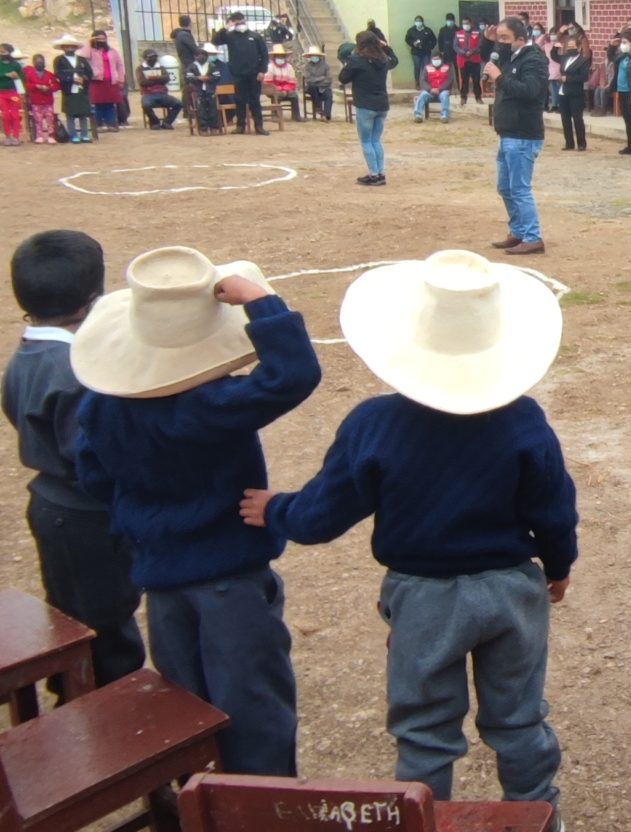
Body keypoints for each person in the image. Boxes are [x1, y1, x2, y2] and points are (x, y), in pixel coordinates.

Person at [244, 251, 576, 807]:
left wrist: (278, 510)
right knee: (519, 718)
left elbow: (324, 513)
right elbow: (554, 508)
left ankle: (424, 817)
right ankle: (538, 811)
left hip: (423, 598)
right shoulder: (525, 422)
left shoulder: (375, 424)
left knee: (424, 729)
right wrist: (559, 565)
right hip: (511, 591)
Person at [74, 247, 320, 778]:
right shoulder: (209, 406)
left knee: (186, 706)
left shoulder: (100, 405)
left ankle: (200, 796)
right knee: (253, 708)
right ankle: (261, 804)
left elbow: (92, 474)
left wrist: (138, 514)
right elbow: (293, 374)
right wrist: (261, 302)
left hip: (161, 575)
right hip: (230, 577)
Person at [0, 230, 145, 687]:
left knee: (72, 614)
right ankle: (102, 709)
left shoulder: (26, 354)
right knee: (105, 627)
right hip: (85, 515)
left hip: (52, 504)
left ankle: (75, 690)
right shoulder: (77, 369)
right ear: (92, 300)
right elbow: (93, 458)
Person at [488, 17, 550, 255]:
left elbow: (530, 91)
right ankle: (518, 231)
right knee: (505, 187)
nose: (501, 42)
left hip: (523, 135)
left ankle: (533, 237)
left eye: (505, 38)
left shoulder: (534, 60)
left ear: (521, 39)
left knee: (520, 189)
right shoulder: (511, 57)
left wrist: (500, 78)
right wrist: (493, 44)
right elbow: (497, 60)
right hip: (507, 133)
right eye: (499, 38)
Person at [340, 33, 395, 186]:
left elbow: (343, 78)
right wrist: (387, 48)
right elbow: (394, 61)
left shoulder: (357, 60)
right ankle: (380, 173)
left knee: (366, 141)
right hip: (382, 104)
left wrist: (350, 59)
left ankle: (374, 174)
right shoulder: (384, 60)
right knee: (376, 140)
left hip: (365, 104)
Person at [216, 13, 272, 135]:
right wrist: (226, 27)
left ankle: (259, 126)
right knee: (239, 100)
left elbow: (264, 55)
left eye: (241, 21)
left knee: (255, 100)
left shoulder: (255, 36)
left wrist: (262, 71)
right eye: (236, 22)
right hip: (237, 74)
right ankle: (240, 126)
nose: (239, 24)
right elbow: (216, 40)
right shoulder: (230, 36)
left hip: (254, 74)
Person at [554, 31, 591, 152]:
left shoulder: (582, 60)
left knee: (577, 119)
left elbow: (584, 77)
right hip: (563, 92)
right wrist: (556, 46)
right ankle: (569, 143)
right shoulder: (564, 58)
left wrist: (568, 79)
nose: (570, 48)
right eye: (568, 46)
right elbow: (553, 56)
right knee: (565, 119)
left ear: (578, 47)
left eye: (572, 46)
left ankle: (581, 143)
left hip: (575, 93)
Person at [55, 36, 95, 144]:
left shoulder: (82, 60)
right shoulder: (59, 60)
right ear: (63, 47)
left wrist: (83, 79)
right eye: (67, 46)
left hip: (82, 90)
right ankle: (73, 135)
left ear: (76, 48)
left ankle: (84, 135)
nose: (70, 48)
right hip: (68, 91)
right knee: (70, 115)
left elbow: (89, 73)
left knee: (83, 114)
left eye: (72, 46)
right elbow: (58, 74)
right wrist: (71, 79)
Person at [0, 44, 26, 145]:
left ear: (9, 52)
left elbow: (22, 79)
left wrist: (17, 78)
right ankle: (8, 137)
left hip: (13, 93)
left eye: (4, 51)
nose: (1, 53)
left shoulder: (15, 65)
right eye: (0, 51)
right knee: (5, 115)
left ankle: (16, 137)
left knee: (15, 115)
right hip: (1, 92)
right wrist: (6, 75)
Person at [87, 31, 125, 131]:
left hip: (111, 81)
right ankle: (98, 125)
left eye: (103, 38)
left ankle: (111, 124)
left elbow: (120, 65)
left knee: (110, 104)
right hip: (96, 81)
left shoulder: (112, 51)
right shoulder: (90, 51)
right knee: (98, 104)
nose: (101, 41)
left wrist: (121, 79)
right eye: (99, 39)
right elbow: (81, 55)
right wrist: (89, 42)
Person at [23, 53, 61, 144]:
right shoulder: (30, 74)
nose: (40, 64)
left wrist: (49, 88)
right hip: (36, 100)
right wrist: (36, 86)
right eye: (38, 62)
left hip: (48, 100)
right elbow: (26, 85)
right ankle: (39, 136)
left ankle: (51, 136)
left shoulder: (49, 74)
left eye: (41, 62)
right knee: (38, 120)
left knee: (50, 119)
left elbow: (56, 85)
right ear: (33, 63)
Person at [138, 52, 181, 130]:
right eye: (150, 57)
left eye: (155, 57)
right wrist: (159, 80)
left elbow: (167, 78)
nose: (153, 59)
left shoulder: (161, 67)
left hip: (162, 94)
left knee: (178, 104)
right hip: (148, 94)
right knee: (145, 105)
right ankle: (155, 122)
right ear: (145, 58)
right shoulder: (140, 68)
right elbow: (142, 82)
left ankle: (167, 122)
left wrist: (152, 78)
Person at [456, 18, 486, 106]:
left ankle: (478, 97)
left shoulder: (477, 33)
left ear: (471, 24)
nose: (465, 25)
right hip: (463, 60)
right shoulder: (458, 34)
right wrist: (462, 52)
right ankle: (463, 97)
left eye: (467, 23)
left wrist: (472, 51)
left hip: (474, 60)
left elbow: (480, 45)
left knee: (476, 80)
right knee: (464, 80)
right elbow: (455, 46)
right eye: (463, 24)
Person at [404, 15, 437, 93]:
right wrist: (413, 43)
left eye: (419, 21)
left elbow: (434, 40)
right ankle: (417, 83)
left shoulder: (428, 30)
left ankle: (426, 83)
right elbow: (407, 39)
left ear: (422, 22)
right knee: (417, 67)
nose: (418, 22)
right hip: (415, 52)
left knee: (426, 68)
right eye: (416, 21)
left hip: (426, 52)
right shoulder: (411, 30)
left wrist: (430, 47)